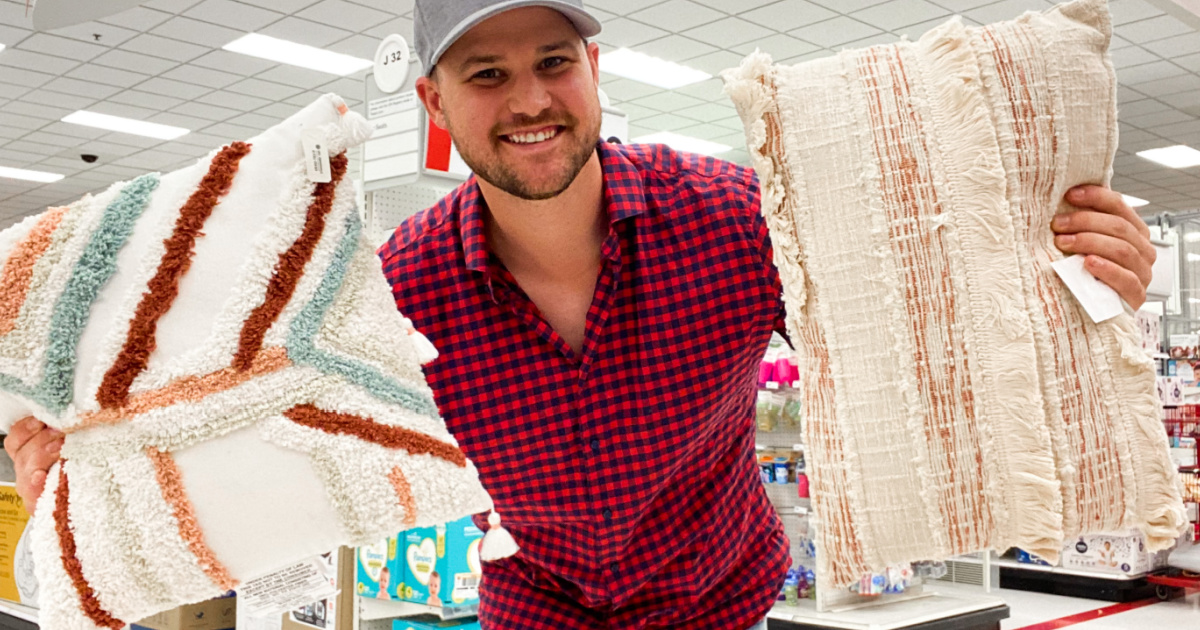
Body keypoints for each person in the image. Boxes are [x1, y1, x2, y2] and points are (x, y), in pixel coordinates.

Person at [4, 1, 1158, 628]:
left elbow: (922, 330)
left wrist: (1080, 282)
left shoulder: (736, 216)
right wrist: (89, 462)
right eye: (488, 74)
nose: (530, 99)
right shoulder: (391, 289)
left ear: (594, 70)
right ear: (436, 104)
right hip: (533, 610)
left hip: (721, 596)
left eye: (553, 61)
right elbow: (262, 441)